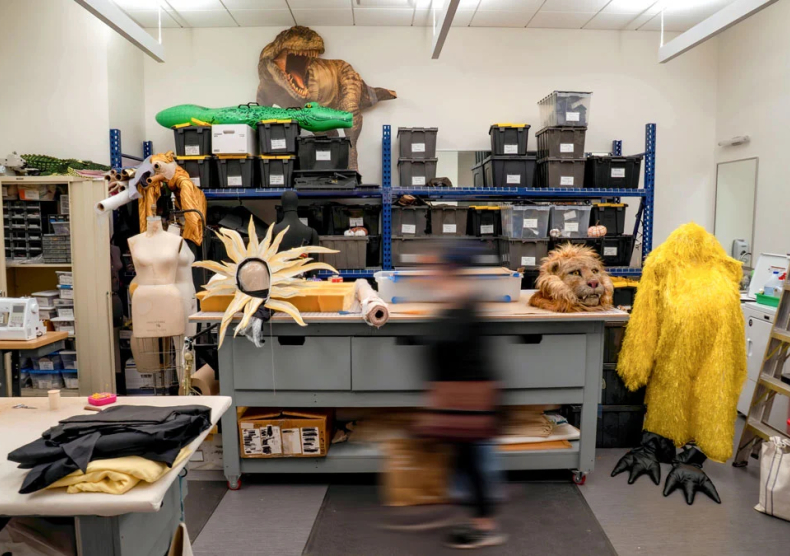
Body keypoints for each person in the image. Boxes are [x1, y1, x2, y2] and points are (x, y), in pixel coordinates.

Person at [419, 242, 506, 549]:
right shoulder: (457, 298)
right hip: (460, 393)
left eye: (433, 267)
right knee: (463, 457)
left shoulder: (461, 301)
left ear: (448, 269)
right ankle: (475, 514)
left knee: (470, 459)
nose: (427, 273)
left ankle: (484, 524)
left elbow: (446, 343)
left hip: (469, 395)